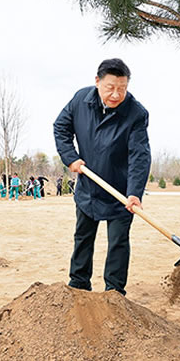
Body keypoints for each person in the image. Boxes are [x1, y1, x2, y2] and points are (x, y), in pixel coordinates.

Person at [53, 58, 151, 296]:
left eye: (122, 88)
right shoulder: (80, 100)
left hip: (121, 192)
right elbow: (61, 127)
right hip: (88, 186)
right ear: (97, 82)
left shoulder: (136, 113)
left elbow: (140, 156)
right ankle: (78, 285)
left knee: (118, 242)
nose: (116, 94)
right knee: (83, 237)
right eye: (110, 87)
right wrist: (70, 157)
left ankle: (114, 293)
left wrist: (134, 193)